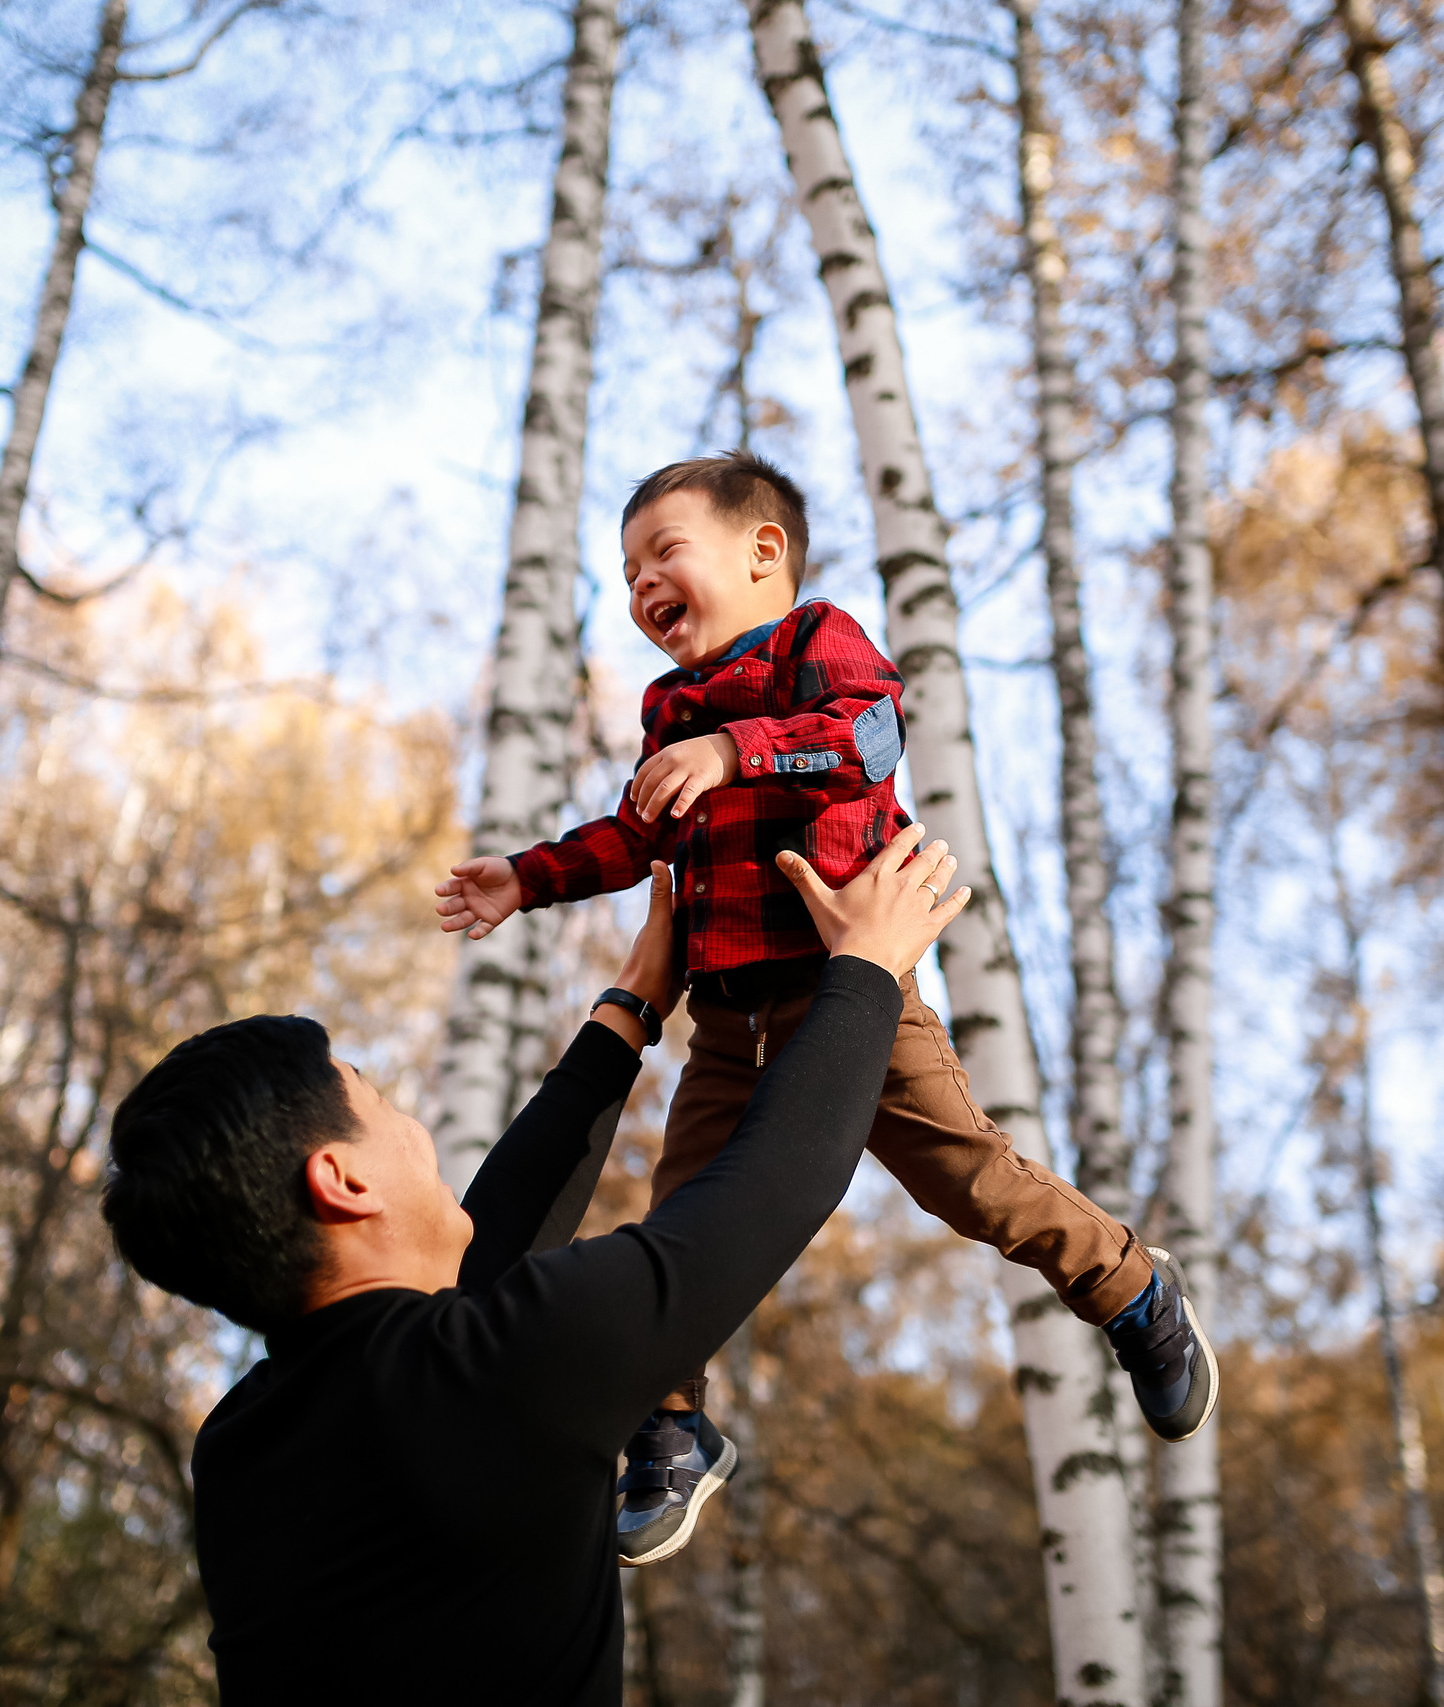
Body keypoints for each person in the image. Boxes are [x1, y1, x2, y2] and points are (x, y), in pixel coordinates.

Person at [433, 451, 1219, 1566]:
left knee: (967, 1177)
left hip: (851, 985)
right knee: (683, 1212)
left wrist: (732, 749)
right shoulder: (668, 706)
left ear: (764, 554)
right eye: (623, 575)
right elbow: (633, 833)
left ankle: (1129, 1286)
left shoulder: (816, 642)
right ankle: (670, 1427)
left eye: (664, 553)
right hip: (726, 1015)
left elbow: (865, 740)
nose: (640, 587)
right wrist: (528, 875)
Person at [103, 829, 974, 1706]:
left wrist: (630, 1009)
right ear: (343, 1179)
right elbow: (776, 1186)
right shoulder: (500, 1372)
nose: (417, 1131)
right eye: (380, 1103)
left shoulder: (241, 1451)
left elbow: (474, 1275)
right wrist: (864, 965)